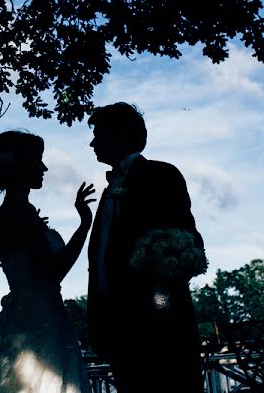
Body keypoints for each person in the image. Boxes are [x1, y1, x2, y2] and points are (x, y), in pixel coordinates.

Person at [86, 103, 205, 392]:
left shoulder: (161, 175)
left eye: (99, 135)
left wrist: (159, 300)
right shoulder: (108, 189)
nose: (92, 142)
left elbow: (186, 239)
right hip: (119, 330)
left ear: (122, 135)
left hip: (159, 329)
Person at [0, 131, 96, 393]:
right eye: (37, 160)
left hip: (28, 317)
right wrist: (84, 225)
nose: (43, 167)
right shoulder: (19, 213)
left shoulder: (15, 213)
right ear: (19, 167)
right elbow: (53, 272)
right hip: (41, 321)